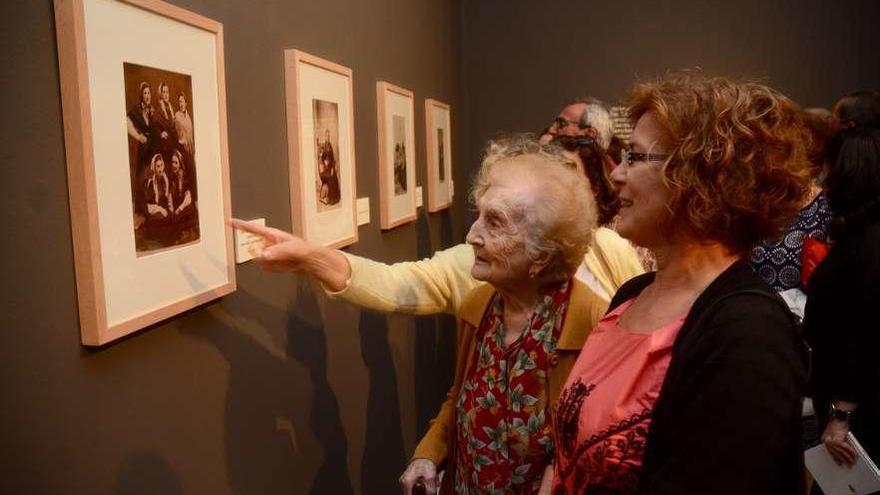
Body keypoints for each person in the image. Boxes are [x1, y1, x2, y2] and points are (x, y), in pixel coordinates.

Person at [232, 136, 607, 494]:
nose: (473, 234)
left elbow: (592, 440)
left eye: (495, 223)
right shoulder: (481, 306)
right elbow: (460, 398)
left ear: (541, 253)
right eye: (479, 216)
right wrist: (428, 454)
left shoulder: (591, 320)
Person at [552, 72, 810, 494]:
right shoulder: (632, 295)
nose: (615, 175)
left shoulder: (749, 334)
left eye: (635, 157)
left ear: (700, 178)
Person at [805, 122, 880, 471]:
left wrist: (841, 414)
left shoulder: (867, 246)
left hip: (858, 417)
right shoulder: (861, 236)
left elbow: (862, 333)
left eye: (828, 166)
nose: (823, 179)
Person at [126, 81, 155, 168]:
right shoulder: (137, 109)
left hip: (152, 146)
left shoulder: (152, 110)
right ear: (142, 95)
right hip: (142, 148)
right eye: (145, 93)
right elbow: (127, 122)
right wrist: (138, 136)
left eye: (148, 93)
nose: (147, 96)